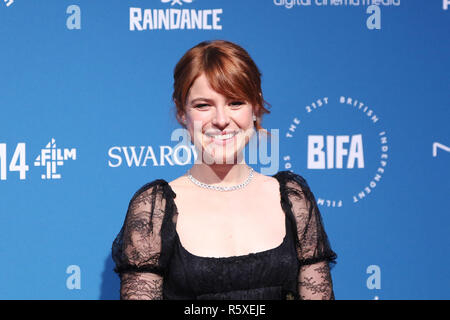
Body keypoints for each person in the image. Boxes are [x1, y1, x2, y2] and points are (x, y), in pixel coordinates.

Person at [111, 40, 337, 300]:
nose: (220, 120)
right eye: (203, 105)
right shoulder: (155, 209)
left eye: (235, 102)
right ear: (181, 112)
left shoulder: (293, 200)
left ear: (255, 107)